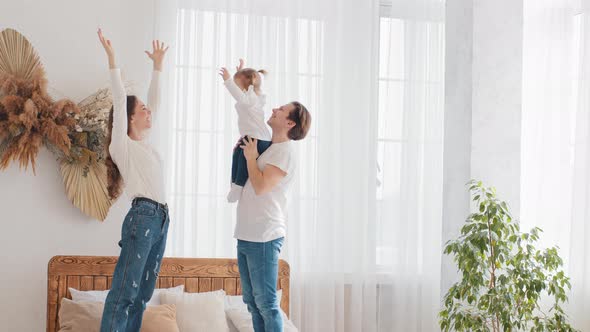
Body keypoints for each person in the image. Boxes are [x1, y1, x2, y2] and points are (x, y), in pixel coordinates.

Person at [97, 28, 170, 332]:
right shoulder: (121, 146)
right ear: (129, 118)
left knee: (141, 295)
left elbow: (156, 102)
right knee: (124, 293)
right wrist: (113, 60)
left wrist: (157, 68)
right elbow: (118, 96)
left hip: (162, 218)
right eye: (142, 109)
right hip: (143, 217)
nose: (149, 112)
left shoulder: (146, 144)